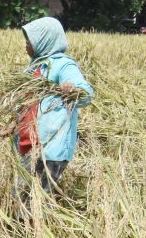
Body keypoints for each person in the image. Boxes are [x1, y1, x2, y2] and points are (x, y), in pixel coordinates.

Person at [13, 16, 93, 213]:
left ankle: (34, 237)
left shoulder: (63, 66)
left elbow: (86, 93)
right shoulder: (33, 68)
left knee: (35, 202)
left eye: (29, 40)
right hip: (27, 144)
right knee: (18, 196)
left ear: (44, 41)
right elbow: (25, 104)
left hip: (49, 148)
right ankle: (19, 233)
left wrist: (72, 90)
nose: (26, 45)